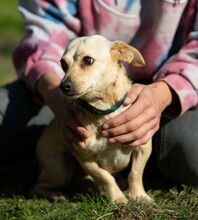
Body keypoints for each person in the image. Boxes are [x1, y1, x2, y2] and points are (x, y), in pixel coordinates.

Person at [0, 0, 197, 186]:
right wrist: (54, 95)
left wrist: (164, 93)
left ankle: (128, 160)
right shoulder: (67, 80)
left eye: (88, 61)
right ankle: (71, 166)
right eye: (66, 64)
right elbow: (42, 35)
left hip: (178, 91)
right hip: (67, 93)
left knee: (189, 151)